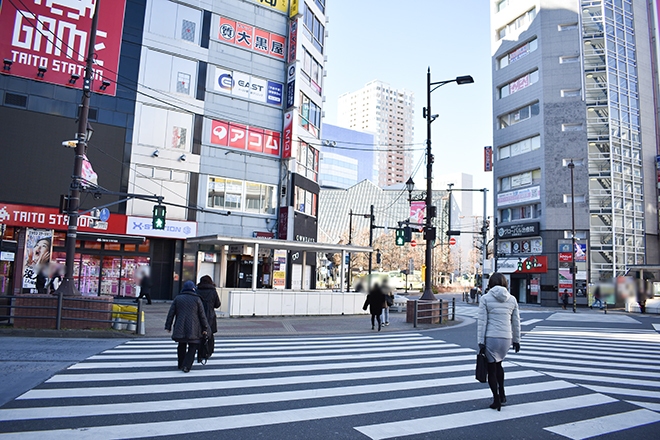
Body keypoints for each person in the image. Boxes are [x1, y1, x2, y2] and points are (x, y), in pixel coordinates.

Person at [477, 272, 521, 411]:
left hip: (491, 337)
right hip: (506, 338)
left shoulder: (485, 298)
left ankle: (496, 399)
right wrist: (517, 340)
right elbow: (516, 322)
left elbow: (482, 322)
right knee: (499, 365)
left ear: (490, 283)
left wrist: (481, 342)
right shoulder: (512, 299)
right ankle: (502, 394)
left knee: (491, 368)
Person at [164, 280, 209, 373]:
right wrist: (205, 328)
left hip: (180, 326)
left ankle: (180, 364)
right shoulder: (197, 299)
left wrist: (168, 326)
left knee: (181, 344)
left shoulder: (178, 298)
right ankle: (187, 366)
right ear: (193, 288)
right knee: (193, 346)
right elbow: (202, 315)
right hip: (194, 327)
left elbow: (171, 313)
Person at [196, 275, 221, 356]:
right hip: (210, 316)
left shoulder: (197, 290)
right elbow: (217, 304)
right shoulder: (213, 291)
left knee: (199, 334)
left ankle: (200, 351)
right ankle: (208, 351)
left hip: (198, 315)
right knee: (210, 334)